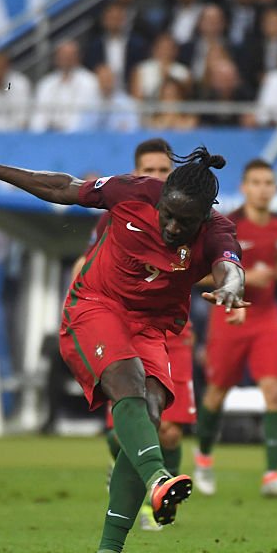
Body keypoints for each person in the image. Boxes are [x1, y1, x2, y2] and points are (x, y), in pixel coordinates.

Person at [0, 132, 246, 553]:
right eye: (168, 216)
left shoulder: (217, 230)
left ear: (204, 218)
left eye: (184, 223)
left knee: (148, 419)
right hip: (95, 304)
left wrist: (233, 286)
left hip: (152, 326)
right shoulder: (134, 192)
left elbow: (229, 266)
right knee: (129, 387)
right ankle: (158, 478)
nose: (173, 227)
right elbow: (62, 187)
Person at [69, 139, 197, 533]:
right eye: (150, 171)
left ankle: (157, 505)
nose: (157, 177)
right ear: (136, 173)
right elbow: (88, 260)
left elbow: (203, 265)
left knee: (170, 429)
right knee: (132, 423)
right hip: (119, 327)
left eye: (164, 171)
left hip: (169, 328)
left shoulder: (188, 221)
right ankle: (148, 485)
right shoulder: (117, 213)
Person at [197, 160, 277, 498]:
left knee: (274, 392)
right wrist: (242, 278)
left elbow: (274, 257)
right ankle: (205, 457)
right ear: (244, 187)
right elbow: (200, 273)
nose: (263, 188)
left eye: (268, 182)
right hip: (229, 314)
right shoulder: (226, 227)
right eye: (256, 182)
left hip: (266, 316)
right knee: (217, 393)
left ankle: (272, 474)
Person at [30, 40, 100, 133]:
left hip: (78, 138)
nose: (66, 60)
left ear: (78, 58)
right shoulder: (46, 84)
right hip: (49, 137)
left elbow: (88, 117)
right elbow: (38, 118)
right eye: (63, 56)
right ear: (56, 59)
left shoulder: (90, 82)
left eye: (70, 56)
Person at [79, 65, 141, 132]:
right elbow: (82, 128)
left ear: (114, 80)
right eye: (102, 79)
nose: (106, 83)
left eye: (108, 79)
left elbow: (133, 127)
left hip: (119, 141)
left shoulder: (126, 103)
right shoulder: (90, 103)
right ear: (98, 81)